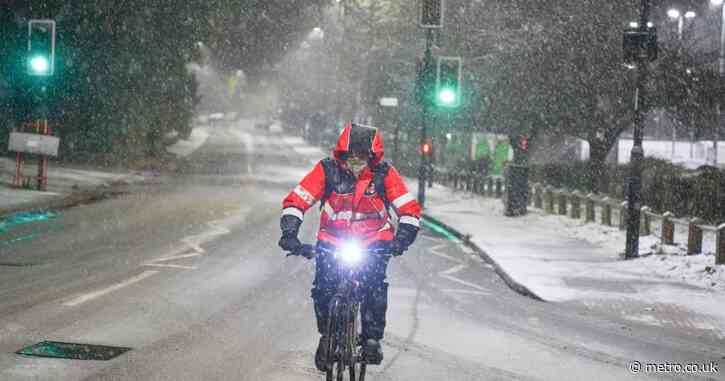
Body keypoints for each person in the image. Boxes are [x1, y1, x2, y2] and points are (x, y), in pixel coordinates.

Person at [278, 123, 421, 370]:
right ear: (342, 154)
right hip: (332, 241)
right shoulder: (327, 170)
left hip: (374, 243)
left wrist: (402, 239)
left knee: (374, 287)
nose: (356, 160)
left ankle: (372, 339)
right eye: (351, 154)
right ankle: (326, 335)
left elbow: (408, 210)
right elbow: (298, 200)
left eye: (362, 155)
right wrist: (290, 232)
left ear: (372, 156)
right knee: (323, 288)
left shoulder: (385, 175)